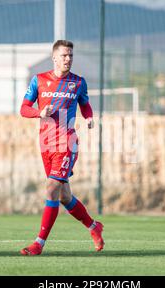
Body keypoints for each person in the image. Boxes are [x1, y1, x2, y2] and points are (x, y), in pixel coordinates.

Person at [19, 40, 104, 256]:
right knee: (64, 195)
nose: (68, 59)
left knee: (51, 187)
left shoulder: (78, 82)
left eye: (71, 56)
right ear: (54, 57)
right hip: (46, 143)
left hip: (67, 143)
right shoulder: (39, 81)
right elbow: (24, 109)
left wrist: (89, 117)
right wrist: (40, 112)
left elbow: (85, 104)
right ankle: (94, 226)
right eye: (64, 55)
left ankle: (39, 243)